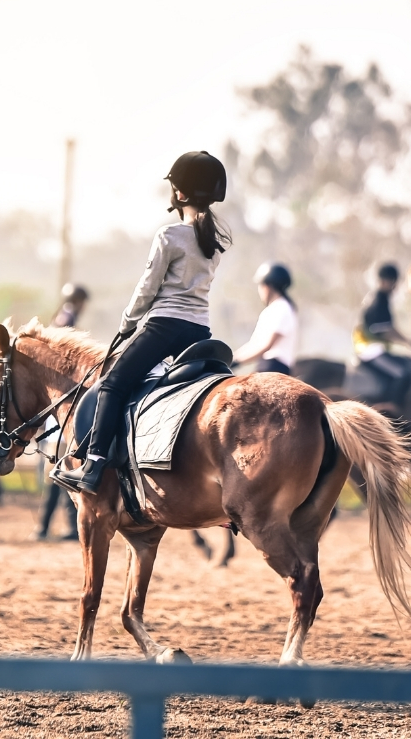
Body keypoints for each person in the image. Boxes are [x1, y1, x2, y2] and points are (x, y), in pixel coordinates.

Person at [52, 150, 229, 495]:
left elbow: (147, 288)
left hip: (165, 327)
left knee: (112, 385)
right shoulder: (214, 243)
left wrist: (127, 324)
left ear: (179, 194)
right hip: (200, 331)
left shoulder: (170, 235)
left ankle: (93, 465)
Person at [34, 284, 90, 540]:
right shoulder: (67, 319)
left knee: (60, 470)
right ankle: (54, 526)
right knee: (63, 469)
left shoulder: (63, 317)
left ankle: (47, 527)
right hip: (61, 420)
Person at [352, 263, 411, 405]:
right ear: (385, 281)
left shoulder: (379, 298)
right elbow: (387, 332)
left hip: (376, 349)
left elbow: (389, 330)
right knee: (403, 374)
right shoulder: (379, 302)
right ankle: (392, 411)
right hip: (371, 351)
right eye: (393, 283)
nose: (395, 287)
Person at [233, 262, 298, 374]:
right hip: (267, 366)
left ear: (268, 286)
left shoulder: (281, 308)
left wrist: (237, 362)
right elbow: (253, 344)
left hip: (274, 367)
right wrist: (231, 358)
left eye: (260, 285)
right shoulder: (272, 309)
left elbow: (266, 345)